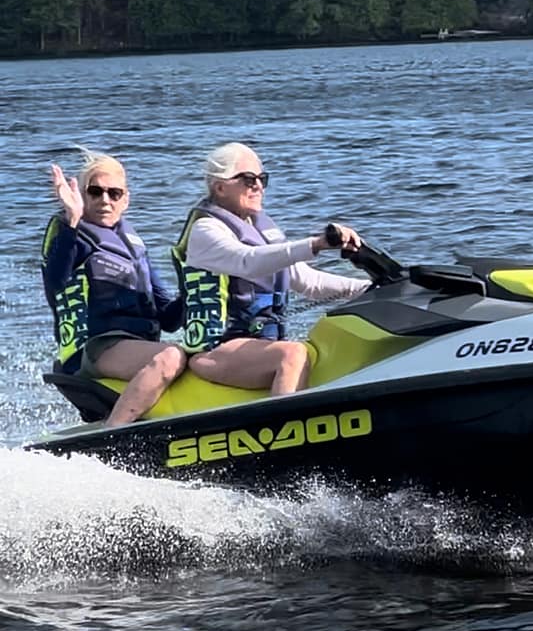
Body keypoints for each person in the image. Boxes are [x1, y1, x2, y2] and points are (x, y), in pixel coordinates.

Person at [173, 141, 368, 395]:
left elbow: (307, 281)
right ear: (220, 187)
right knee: (292, 353)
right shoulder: (206, 230)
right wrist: (317, 244)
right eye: (248, 179)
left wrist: (368, 288)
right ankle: (288, 418)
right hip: (217, 349)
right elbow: (248, 262)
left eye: (262, 179)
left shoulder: (259, 227)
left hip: (256, 344)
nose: (258, 186)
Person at [42, 151, 186, 427]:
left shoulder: (133, 245)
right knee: (171, 356)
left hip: (136, 346)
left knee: (196, 355)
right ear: (82, 195)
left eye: (114, 193)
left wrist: (192, 285)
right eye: (95, 192)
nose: (105, 200)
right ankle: (114, 433)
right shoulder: (69, 233)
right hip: (97, 348)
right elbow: (56, 285)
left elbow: (168, 319)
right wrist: (72, 219)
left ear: (125, 200)